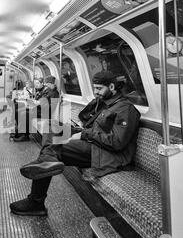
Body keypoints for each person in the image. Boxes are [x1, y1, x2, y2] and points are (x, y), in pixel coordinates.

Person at [10, 70, 141, 216]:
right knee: (51, 127)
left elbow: (117, 142)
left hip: (106, 153)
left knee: (56, 147)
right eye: (94, 88)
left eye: (99, 89)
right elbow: (84, 118)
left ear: (112, 87)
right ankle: (46, 160)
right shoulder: (105, 103)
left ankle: (36, 202)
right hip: (92, 140)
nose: (96, 92)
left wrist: (84, 134)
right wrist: (94, 107)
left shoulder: (125, 109)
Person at [12, 76, 60, 142]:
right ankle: (19, 132)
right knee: (18, 111)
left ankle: (25, 136)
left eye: (48, 84)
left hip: (44, 113)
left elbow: (50, 107)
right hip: (38, 110)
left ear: (52, 84)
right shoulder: (47, 91)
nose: (46, 85)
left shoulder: (54, 94)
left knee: (24, 114)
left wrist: (39, 103)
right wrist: (36, 103)